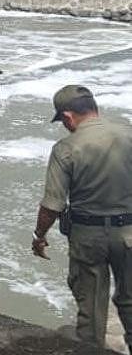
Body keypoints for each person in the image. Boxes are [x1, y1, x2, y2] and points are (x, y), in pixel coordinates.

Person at [32, 85, 132, 353]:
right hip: (130, 233)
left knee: (91, 311)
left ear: (67, 117)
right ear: (94, 107)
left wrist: (39, 236)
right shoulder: (129, 133)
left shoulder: (66, 148)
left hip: (88, 238)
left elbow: (52, 205)